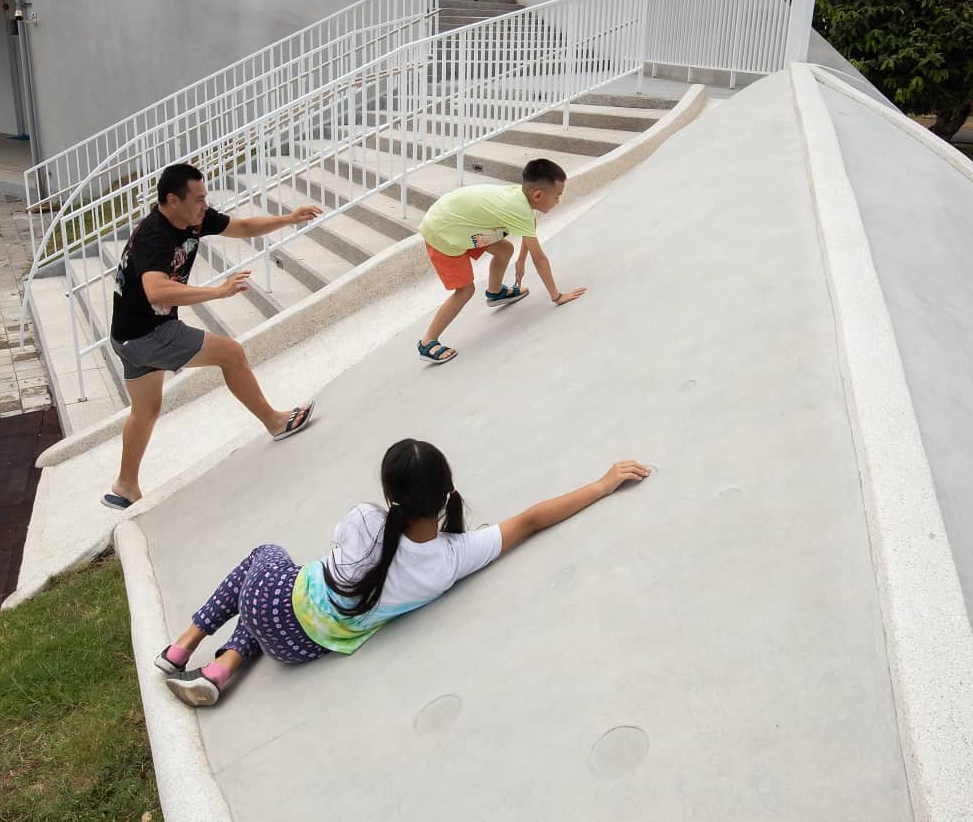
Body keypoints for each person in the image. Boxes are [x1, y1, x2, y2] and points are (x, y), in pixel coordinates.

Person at [154, 438, 651, 705]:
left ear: (388, 494)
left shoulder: (364, 518)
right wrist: (601, 485)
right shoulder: (452, 559)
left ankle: (183, 645)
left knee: (266, 561)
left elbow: (333, 568)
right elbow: (530, 520)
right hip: (300, 646)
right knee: (280, 611)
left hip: (281, 602)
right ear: (448, 492)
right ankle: (221, 669)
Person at [103, 161, 318, 510]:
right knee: (230, 353)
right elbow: (156, 291)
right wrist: (218, 292)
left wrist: (289, 218)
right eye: (199, 198)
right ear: (173, 200)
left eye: (205, 198)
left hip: (126, 338)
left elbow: (243, 225)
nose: (205, 205)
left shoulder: (193, 221)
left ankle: (125, 486)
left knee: (145, 409)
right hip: (149, 334)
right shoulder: (154, 237)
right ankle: (275, 422)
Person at [414, 158, 586, 364]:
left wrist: (521, 261)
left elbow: (528, 234)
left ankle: (495, 293)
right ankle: (427, 342)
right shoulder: (518, 209)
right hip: (442, 232)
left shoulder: (521, 198)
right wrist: (557, 297)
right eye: (557, 196)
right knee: (465, 291)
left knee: (505, 249)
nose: (558, 201)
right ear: (538, 195)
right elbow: (539, 258)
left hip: (459, 221)